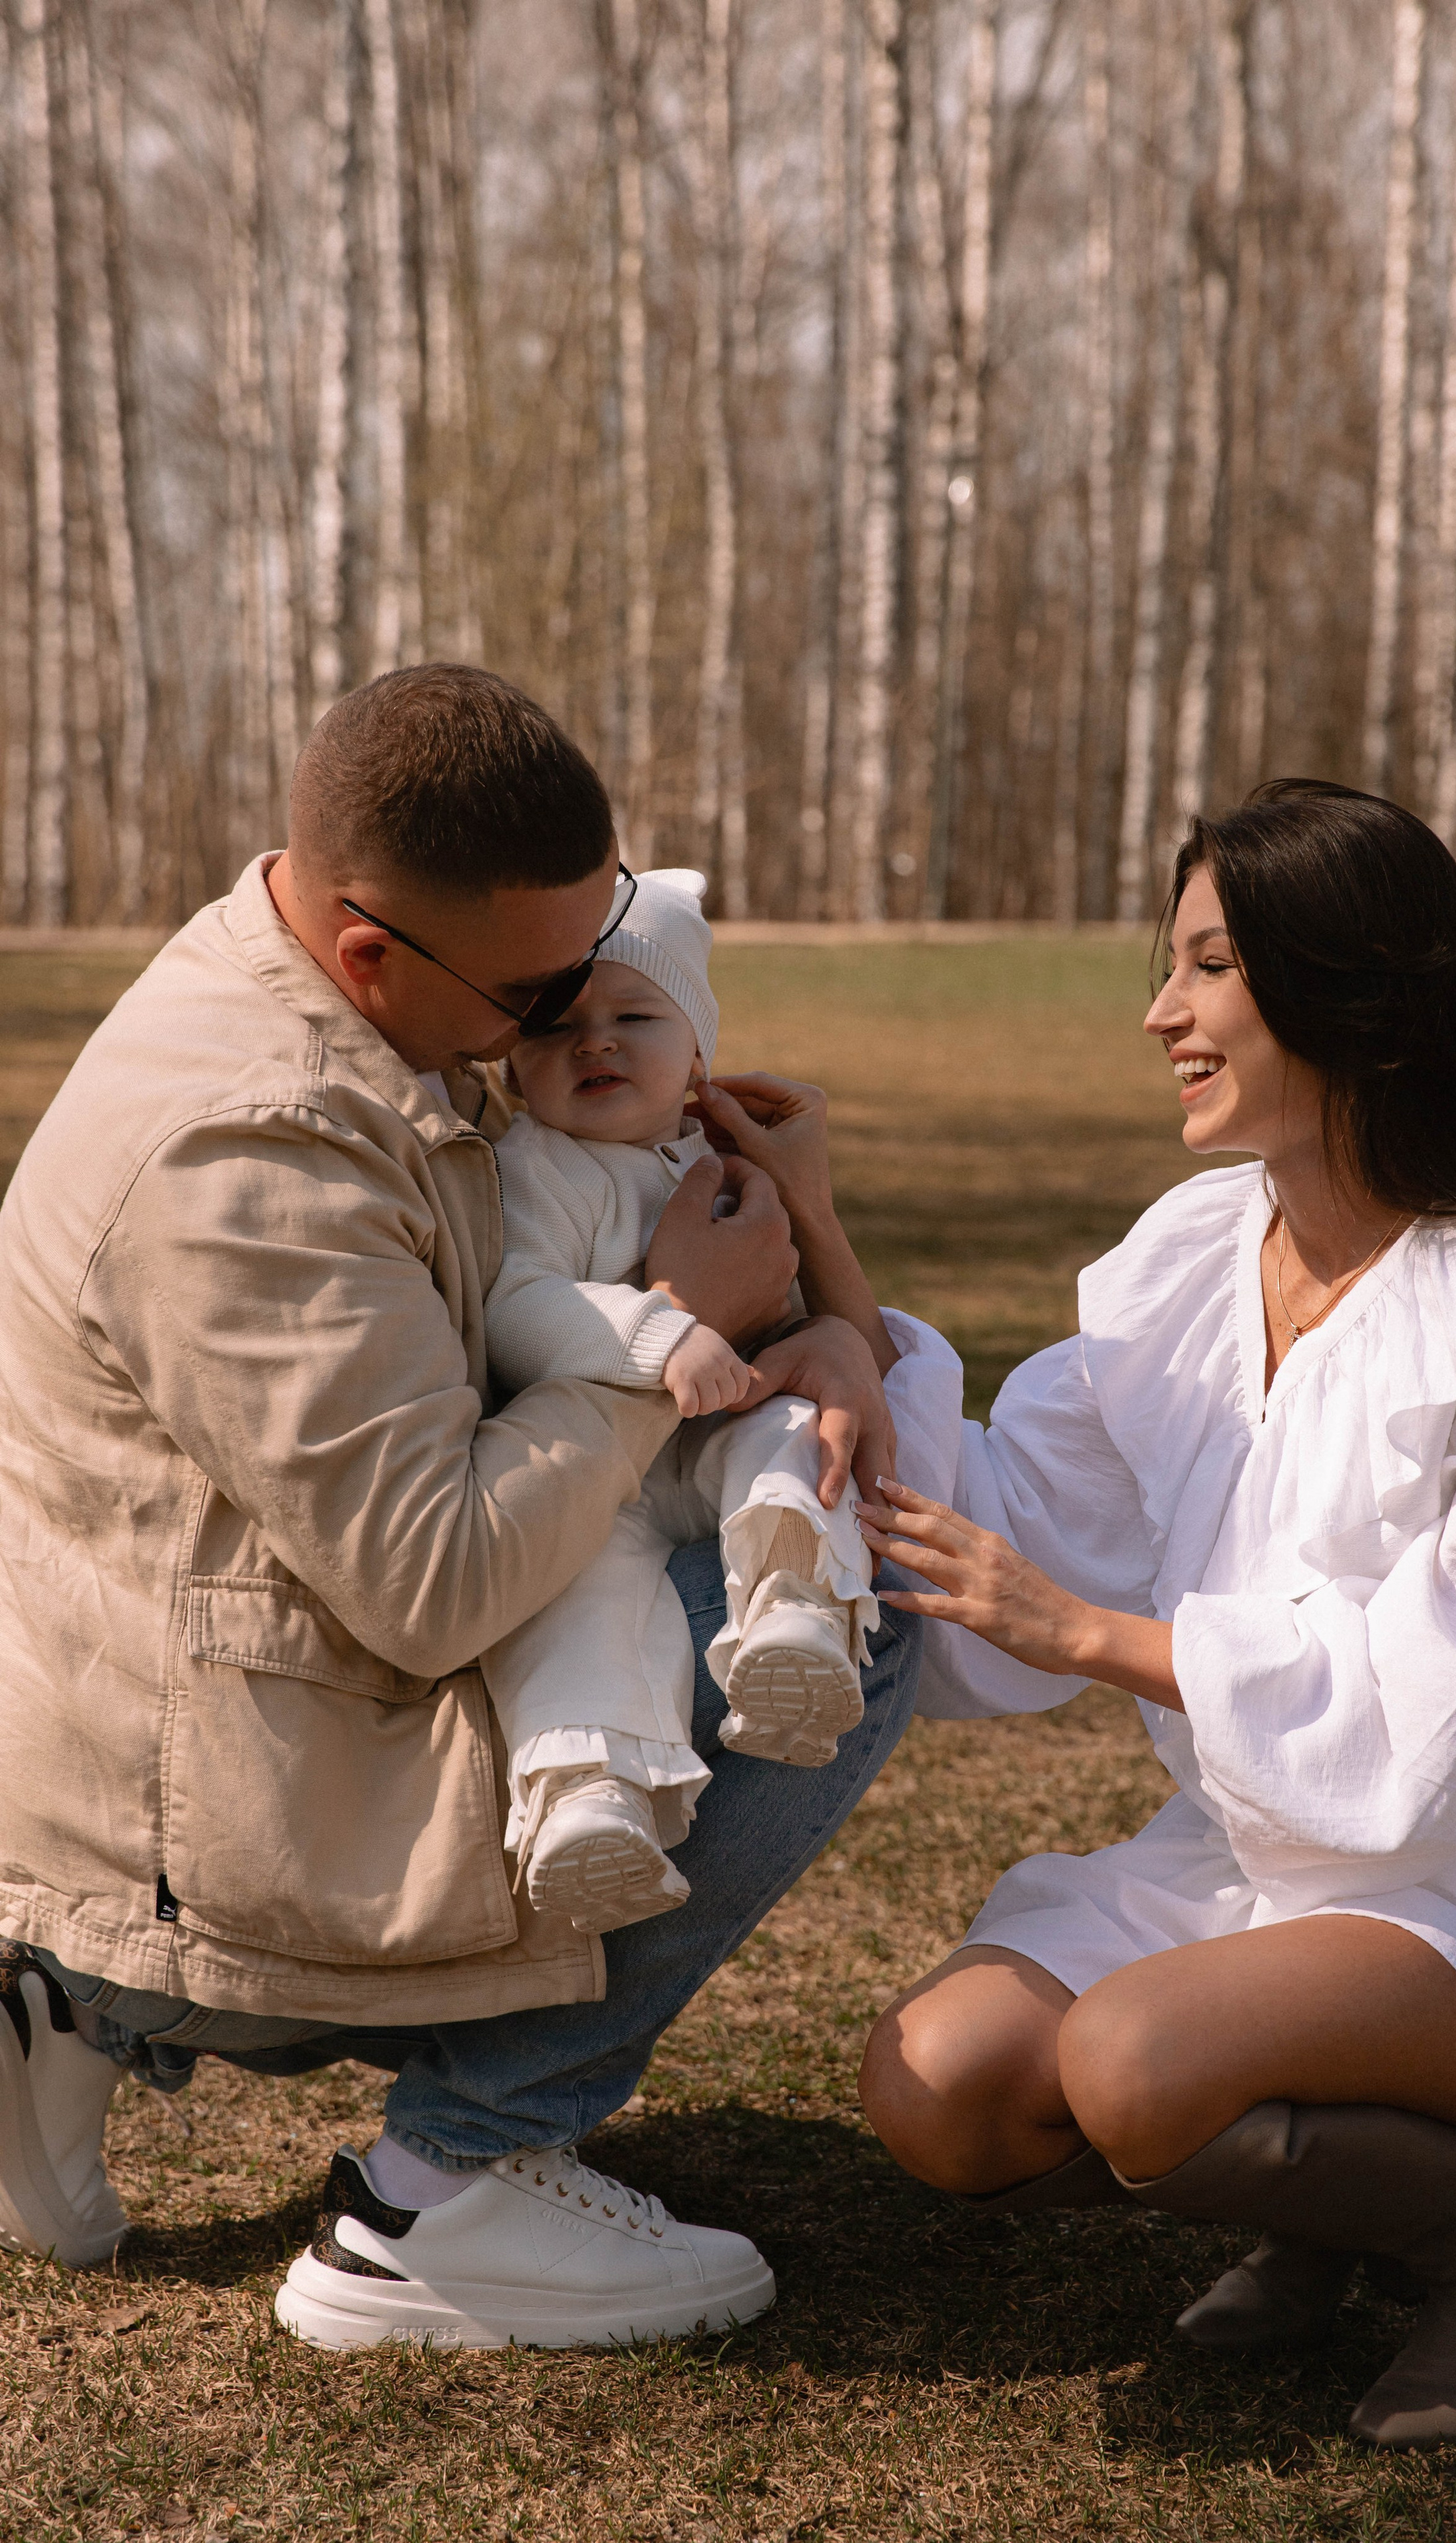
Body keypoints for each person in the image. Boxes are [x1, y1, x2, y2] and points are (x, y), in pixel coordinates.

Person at [0, 664, 920, 2355]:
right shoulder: (248, 1158)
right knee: (868, 1601)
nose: (576, 1014)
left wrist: (829, 1304)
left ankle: (73, 2003)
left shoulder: (337, 995)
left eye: (604, 949)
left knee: (811, 1509)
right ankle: (434, 2202)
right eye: (541, 984)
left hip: (198, 1705)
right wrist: (667, 1338)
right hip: (227, 1789)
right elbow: (432, 1586)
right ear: (372, 953)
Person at [855, 781, 1456, 2452]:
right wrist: (804, 1255)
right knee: (934, 2091)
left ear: (1351, 993)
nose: (1160, 1011)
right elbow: (1020, 1509)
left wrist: (1098, 1639)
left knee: (1131, 2064)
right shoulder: (1188, 1256)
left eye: (1208, 964)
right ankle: (1333, 2214)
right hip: (1251, 1857)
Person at [480, 864, 879, 1933]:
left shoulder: (725, 1159)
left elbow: (823, 1338)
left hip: (719, 1445)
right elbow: (516, 1302)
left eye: (635, 1017)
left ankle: (792, 1606)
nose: (595, 1042)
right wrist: (661, 1333)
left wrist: (814, 1317)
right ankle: (589, 1803)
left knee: (800, 1434)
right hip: (596, 1474)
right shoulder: (538, 1167)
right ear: (516, 1069)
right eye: (557, 1027)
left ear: (699, 1052)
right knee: (576, 1611)